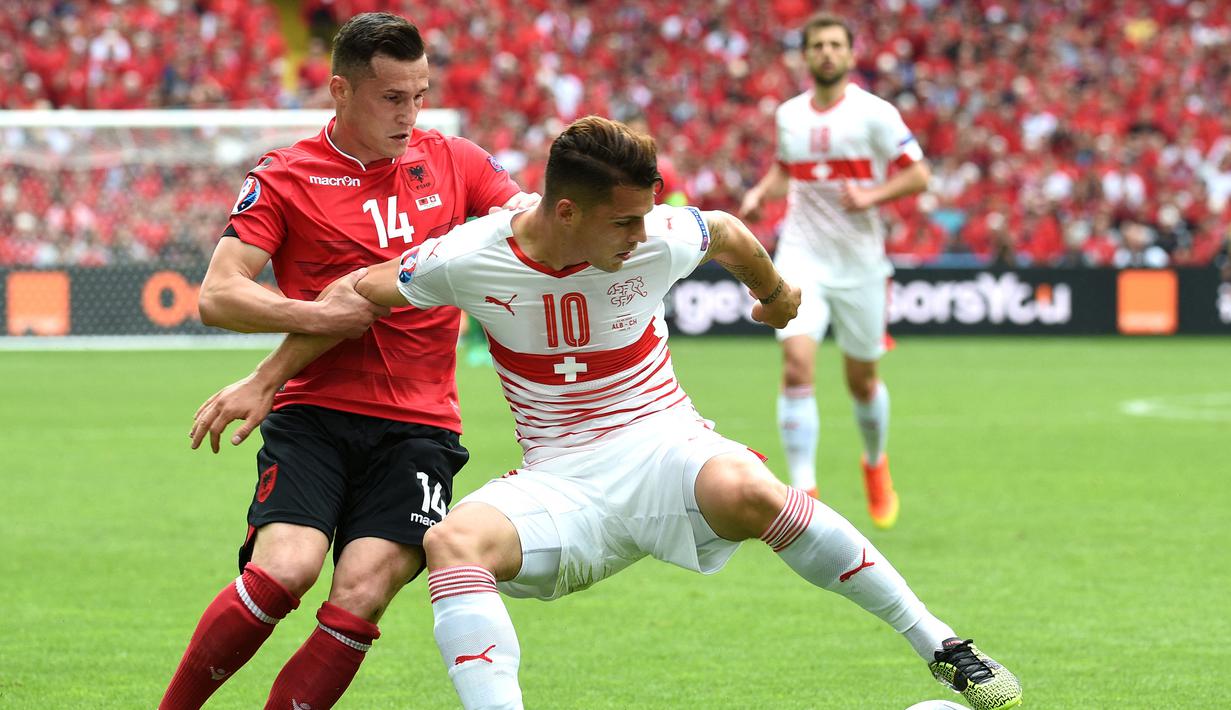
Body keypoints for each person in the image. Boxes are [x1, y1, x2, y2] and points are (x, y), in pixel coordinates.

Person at [208, 116, 1022, 709]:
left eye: (644, 215)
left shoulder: (658, 235)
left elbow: (727, 233)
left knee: (751, 490)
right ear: (567, 212)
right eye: (624, 220)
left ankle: (943, 645)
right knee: (451, 542)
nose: (642, 233)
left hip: (663, 446)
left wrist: (774, 296)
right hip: (559, 481)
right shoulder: (469, 256)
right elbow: (356, 293)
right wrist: (269, 377)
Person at [160, 13, 537, 709]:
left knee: (361, 591)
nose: (410, 113)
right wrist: (314, 316)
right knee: (286, 569)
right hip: (314, 414)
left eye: (419, 95)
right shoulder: (286, 175)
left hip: (421, 428)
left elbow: (531, 228)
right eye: (392, 98)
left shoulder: (456, 161)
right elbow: (218, 294)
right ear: (340, 90)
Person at [740, 13, 932, 528]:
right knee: (796, 366)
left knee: (861, 381)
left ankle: (875, 463)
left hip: (861, 263)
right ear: (806, 55)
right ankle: (805, 495)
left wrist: (872, 195)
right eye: (818, 45)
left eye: (834, 45)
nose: (826, 52)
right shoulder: (789, 115)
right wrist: (761, 193)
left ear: (850, 54)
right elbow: (786, 170)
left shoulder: (876, 114)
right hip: (802, 256)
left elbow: (919, 174)